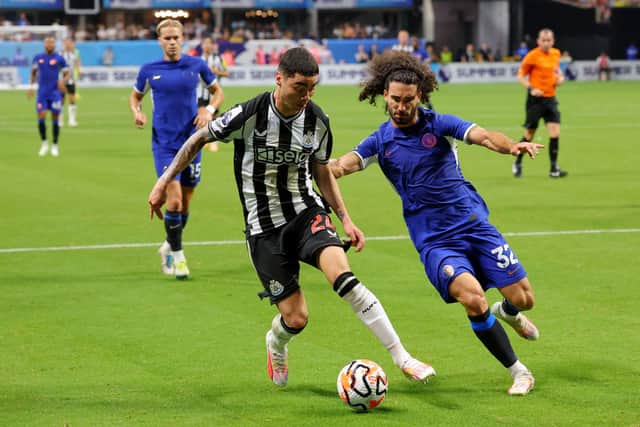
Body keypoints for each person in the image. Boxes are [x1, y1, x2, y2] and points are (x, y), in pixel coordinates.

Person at [148, 47, 436, 388]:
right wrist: (163, 181)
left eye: (313, 87)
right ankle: (276, 343)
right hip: (263, 228)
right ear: (279, 79)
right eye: (300, 87)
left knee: (342, 276)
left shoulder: (317, 120)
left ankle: (402, 357)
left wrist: (345, 218)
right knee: (296, 318)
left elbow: (323, 172)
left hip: (306, 213)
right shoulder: (249, 115)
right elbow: (199, 138)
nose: (306, 95)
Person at [329, 50, 543, 396]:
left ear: (420, 96)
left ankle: (510, 311)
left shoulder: (440, 125)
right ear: (385, 95)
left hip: (474, 225)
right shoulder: (380, 142)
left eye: (408, 100)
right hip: (435, 243)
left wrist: (512, 147)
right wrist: (320, 167)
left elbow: (485, 136)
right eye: (395, 99)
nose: (400, 106)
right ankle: (519, 371)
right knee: (473, 299)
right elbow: (343, 165)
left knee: (525, 298)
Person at [129, 19, 224, 279]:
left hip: (192, 142)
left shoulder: (197, 65)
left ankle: (169, 245)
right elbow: (135, 96)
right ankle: (179, 259)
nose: (171, 42)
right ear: (159, 41)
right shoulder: (149, 70)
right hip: (165, 145)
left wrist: (209, 109)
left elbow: (217, 92)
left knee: (184, 205)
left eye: (175, 37)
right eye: (166, 38)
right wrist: (137, 112)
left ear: (182, 38)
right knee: (174, 199)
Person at [513, 28, 566, 178]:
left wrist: (560, 78)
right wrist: (531, 88)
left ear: (553, 41)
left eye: (549, 40)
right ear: (538, 41)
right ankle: (517, 162)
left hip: (550, 99)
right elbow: (521, 76)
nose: (546, 43)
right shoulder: (532, 56)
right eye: (544, 40)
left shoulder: (556, 54)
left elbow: (557, 71)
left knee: (555, 133)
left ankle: (554, 169)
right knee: (529, 135)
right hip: (535, 101)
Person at [27, 36, 69, 157]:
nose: (49, 45)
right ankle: (44, 143)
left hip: (55, 93)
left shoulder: (59, 59)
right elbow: (33, 73)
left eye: (52, 43)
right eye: (47, 43)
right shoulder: (38, 58)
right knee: (41, 116)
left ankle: (55, 145)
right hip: (42, 93)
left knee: (55, 118)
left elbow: (67, 74)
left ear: (55, 45)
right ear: (44, 45)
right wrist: (30, 87)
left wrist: (62, 81)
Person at [197, 36, 229, 153]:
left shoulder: (218, 58)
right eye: (205, 43)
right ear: (202, 45)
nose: (207, 45)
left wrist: (217, 72)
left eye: (209, 43)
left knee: (213, 117)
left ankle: (213, 141)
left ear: (212, 45)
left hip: (214, 94)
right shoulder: (198, 60)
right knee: (201, 117)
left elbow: (226, 73)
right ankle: (204, 140)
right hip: (200, 92)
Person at [60, 37, 81, 127]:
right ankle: (60, 120)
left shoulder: (75, 53)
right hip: (61, 79)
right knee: (61, 100)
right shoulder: (60, 53)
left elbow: (77, 65)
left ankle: (71, 120)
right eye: (66, 42)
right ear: (64, 43)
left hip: (71, 79)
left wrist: (78, 74)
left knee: (72, 99)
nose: (68, 44)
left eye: (70, 42)